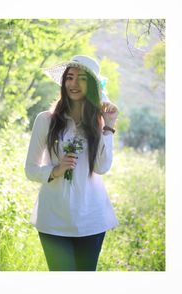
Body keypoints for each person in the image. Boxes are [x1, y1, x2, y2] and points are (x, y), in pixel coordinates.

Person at [25, 55, 119, 271]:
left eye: (82, 78)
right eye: (70, 77)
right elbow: (30, 170)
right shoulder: (45, 120)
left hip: (91, 218)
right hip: (53, 219)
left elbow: (102, 168)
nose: (74, 84)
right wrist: (56, 170)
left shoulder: (99, 123)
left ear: (93, 86)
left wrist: (109, 127)